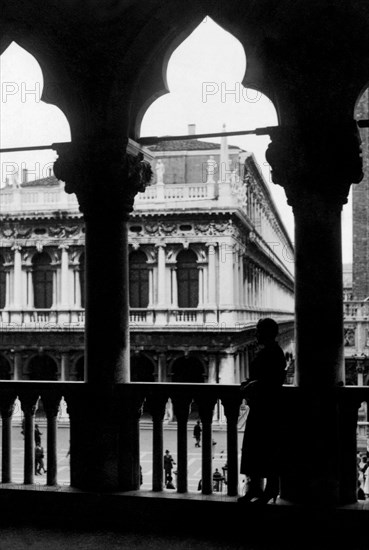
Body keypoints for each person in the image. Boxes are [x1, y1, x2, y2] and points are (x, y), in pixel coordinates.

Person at [238, 318, 286, 505]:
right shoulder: (268, 350)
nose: (256, 334)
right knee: (255, 449)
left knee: (266, 449)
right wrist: (251, 381)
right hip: (260, 407)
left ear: (268, 333)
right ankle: (255, 488)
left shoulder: (274, 352)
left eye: (259, 331)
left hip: (268, 408)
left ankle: (270, 490)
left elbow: (274, 380)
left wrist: (254, 384)